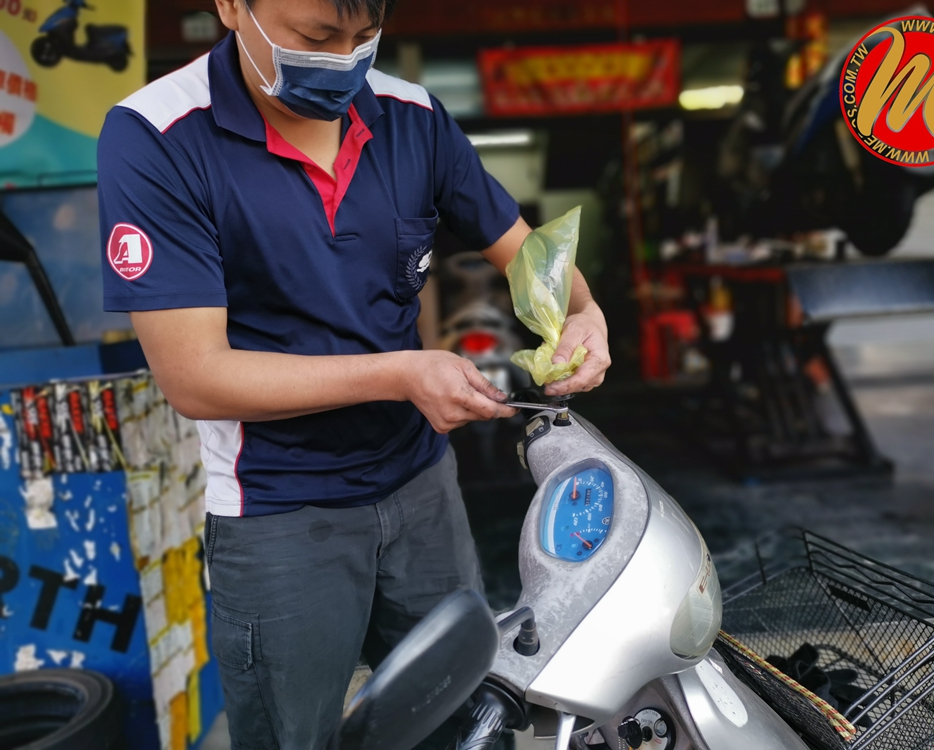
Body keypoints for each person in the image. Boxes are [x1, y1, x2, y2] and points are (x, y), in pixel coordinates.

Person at [98, 0, 611, 747]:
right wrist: (402, 373)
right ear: (232, 6)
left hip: (421, 490)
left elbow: (527, 254)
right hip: (278, 512)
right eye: (315, 37)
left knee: (467, 722)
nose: (343, 60)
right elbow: (194, 378)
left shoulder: (411, 117)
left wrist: (582, 311)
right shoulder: (157, 136)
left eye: (364, 37)